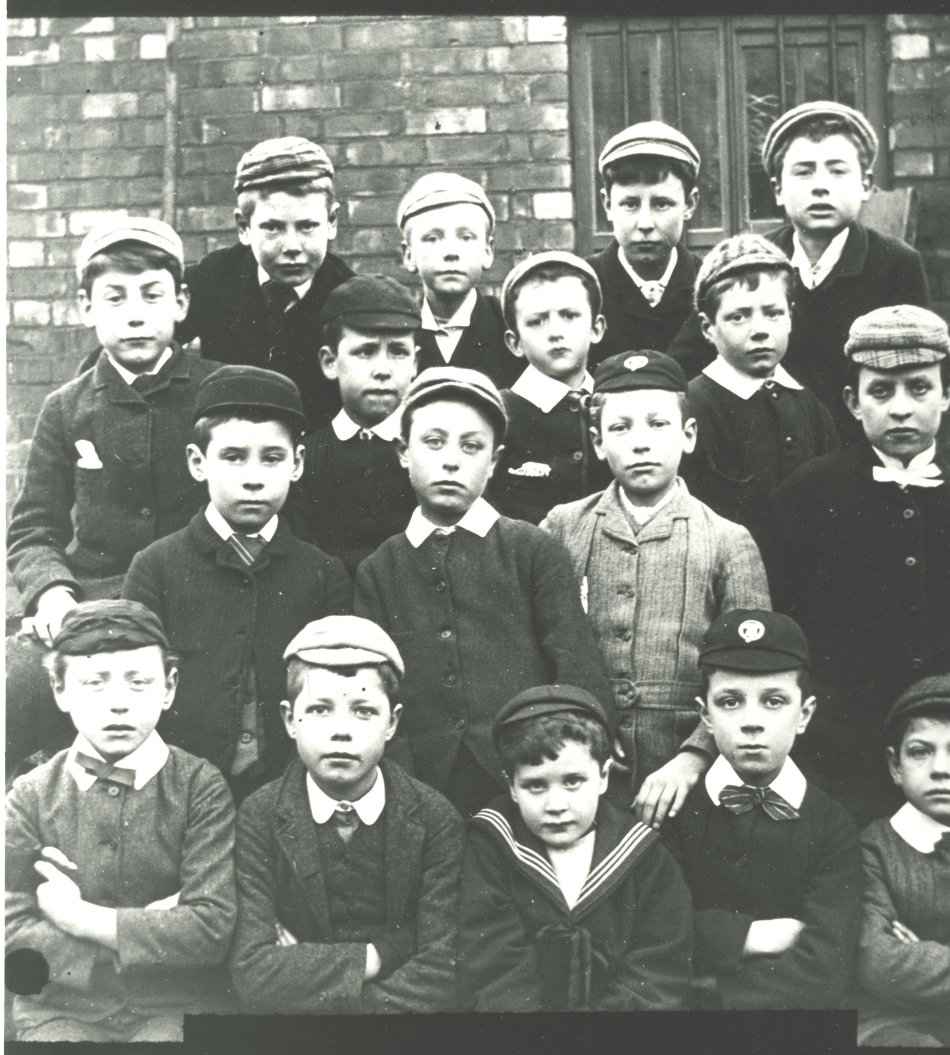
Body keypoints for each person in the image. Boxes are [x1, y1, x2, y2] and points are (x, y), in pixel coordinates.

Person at [6, 217, 219, 772]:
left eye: (152, 295)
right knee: (19, 688)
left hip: (196, 597)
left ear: (181, 302)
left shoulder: (216, 392)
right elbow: (34, 527)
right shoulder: (67, 406)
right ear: (86, 307)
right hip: (94, 599)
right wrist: (52, 592)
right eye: (115, 297)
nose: (134, 313)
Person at [354, 367, 612, 815]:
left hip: (528, 776)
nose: (451, 460)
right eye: (433, 442)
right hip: (421, 788)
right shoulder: (380, 569)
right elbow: (375, 689)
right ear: (402, 451)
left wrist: (556, 765)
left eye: (471, 446)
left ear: (494, 461)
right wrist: (402, 786)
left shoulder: (531, 550)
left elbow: (575, 666)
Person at [541, 350, 770, 826]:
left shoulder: (728, 540)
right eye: (621, 428)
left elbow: (751, 671)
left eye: (658, 424)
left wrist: (695, 758)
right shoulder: (562, 528)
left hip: (688, 772)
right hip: (580, 764)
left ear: (687, 436)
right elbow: (534, 643)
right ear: (598, 443)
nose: (640, 443)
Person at [5, 600, 236, 1041]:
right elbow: (11, 932)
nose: (118, 704)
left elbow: (210, 928)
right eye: (94, 682)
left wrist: (78, 919)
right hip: (60, 1010)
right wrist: (130, 942)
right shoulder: (30, 795)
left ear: (168, 688)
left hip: (172, 1008)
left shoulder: (201, 788)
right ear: (59, 689)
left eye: (139, 682)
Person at [122, 365, 351, 800]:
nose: (253, 477)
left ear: (297, 463)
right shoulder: (156, 568)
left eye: (272, 457)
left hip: (290, 793)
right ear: (197, 462)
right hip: (178, 793)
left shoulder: (322, 573)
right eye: (232, 456)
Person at [765, 305, 950, 825]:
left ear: (946, 394)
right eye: (881, 391)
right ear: (852, 401)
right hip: (846, 756)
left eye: (919, 388)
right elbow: (788, 629)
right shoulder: (806, 495)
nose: (900, 409)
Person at [230, 616, 464, 1014]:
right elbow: (254, 971)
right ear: (290, 720)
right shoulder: (260, 816)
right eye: (320, 710)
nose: (341, 730)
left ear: (392, 723)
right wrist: (380, 955)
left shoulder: (434, 817)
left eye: (364, 711)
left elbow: (442, 968)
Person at [670, 101, 930, 442]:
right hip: (765, 448)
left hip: (862, 452)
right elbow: (683, 363)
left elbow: (919, 375)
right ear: (778, 189)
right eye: (804, 171)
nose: (820, 186)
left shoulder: (896, 263)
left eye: (837, 171)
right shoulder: (749, 263)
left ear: (865, 185)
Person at [664, 609, 862, 1010]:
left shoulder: (831, 824)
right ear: (706, 715)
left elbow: (828, 961)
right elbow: (658, 932)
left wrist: (719, 988)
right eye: (730, 701)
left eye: (773, 701)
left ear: (804, 714)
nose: (751, 722)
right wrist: (760, 937)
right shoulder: (677, 812)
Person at [459, 684, 693, 1011]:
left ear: (603, 776)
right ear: (511, 786)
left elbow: (658, 965)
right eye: (536, 785)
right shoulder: (492, 847)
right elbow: (492, 963)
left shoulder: (644, 854)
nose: (556, 804)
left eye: (572, 781)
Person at [177, 136, 354, 428]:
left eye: (307, 226)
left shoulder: (347, 295)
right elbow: (151, 340)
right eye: (272, 228)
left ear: (332, 222)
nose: (292, 245)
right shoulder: (214, 277)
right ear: (244, 227)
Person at [682, 233, 838, 535]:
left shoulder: (811, 407)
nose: (760, 331)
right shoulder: (693, 407)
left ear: (790, 317)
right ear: (707, 328)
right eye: (739, 317)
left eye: (773, 313)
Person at [287, 275, 420, 574]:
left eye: (398, 352)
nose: (383, 370)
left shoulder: (429, 453)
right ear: (329, 362)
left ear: (415, 363)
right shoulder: (306, 459)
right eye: (365, 351)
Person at [856, 676, 950, 1048]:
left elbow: (905, 962)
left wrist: (919, 953)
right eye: (920, 751)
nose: (941, 768)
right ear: (896, 765)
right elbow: (878, 962)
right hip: (892, 1020)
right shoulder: (873, 848)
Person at [491, 252, 612, 525]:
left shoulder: (613, 407)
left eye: (569, 316)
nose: (555, 331)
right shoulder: (499, 413)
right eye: (537, 321)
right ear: (514, 342)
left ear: (596, 327)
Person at [586, 121, 703, 367]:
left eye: (662, 204)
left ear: (689, 205)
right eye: (630, 204)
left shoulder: (709, 287)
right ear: (607, 205)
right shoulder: (583, 287)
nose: (645, 223)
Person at [398, 171, 518, 389]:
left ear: (488, 251)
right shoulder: (398, 331)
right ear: (409, 255)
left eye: (466, 237)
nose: (451, 252)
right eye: (433, 238)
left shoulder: (511, 328)